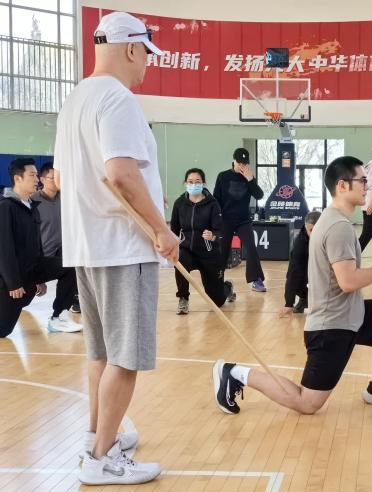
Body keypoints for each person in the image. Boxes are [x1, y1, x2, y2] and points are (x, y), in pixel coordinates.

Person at [54, 11, 179, 485]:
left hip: (88, 247)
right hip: (125, 249)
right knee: (125, 359)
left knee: (101, 355)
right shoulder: (118, 98)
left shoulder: (75, 100)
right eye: (146, 52)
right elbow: (121, 174)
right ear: (131, 48)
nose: (147, 62)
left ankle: (95, 438)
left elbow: (61, 178)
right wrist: (161, 230)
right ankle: (101, 458)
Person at [212, 156, 372, 416]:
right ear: (342, 185)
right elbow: (348, 282)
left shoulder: (335, 220)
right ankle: (234, 373)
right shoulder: (338, 227)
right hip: (331, 328)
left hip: (351, 314)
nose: (367, 186)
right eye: (362, 180)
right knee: (308, 403)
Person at [0, 158, 78, 338]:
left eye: (37, 175)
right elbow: (4, 248)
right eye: (32, 175)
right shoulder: (5, 207)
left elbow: (37, 243)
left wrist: (40, 277)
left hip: (33, 268)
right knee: (3, 330)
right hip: (12, 279)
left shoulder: (31, 206)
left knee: (71, 266)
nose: (37, 179)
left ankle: (59, 317)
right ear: (18, 178)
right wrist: (13, 283)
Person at [171, 168, 235, 315]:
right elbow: (174, 229)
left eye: (197, 181)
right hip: (187, 250)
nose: (194, 184)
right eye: (190, 182)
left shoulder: (213, 204)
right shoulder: (179, 203)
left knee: (216, 301)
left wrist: (212, 236)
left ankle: (227, 287)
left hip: (209, 254)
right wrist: (172, 245)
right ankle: (183, 299)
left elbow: (221, 232)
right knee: (180, 261)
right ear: (185, 183)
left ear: (204, 183)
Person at [32, 162, 82, 332]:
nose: (57, 182)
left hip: (61, 251)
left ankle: (60, 313)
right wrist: (39, 280)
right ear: (42, 179)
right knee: (18, 302)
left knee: (72, 267)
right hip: (39, 256)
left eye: (59, 178)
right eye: (52, 178)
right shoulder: (33, 201)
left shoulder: (66, 199)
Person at [214, 148, 267, 292]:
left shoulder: (249, 177)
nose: (242, 166)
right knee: (222, 250)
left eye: (244, 163)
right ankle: (217, 280)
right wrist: (216, 219)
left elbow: (259, 195)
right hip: (226, 220)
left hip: (243, 220)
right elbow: (216, 199)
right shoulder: (223, 176)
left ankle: (256, 280)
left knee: (251, 247)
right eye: (239, 163)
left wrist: (251, 180)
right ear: (234, 161)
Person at [279, 210, 322, 317]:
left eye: (317, 230)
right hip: (310, 268)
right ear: (306, 227)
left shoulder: (332, 235)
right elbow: (293, 274)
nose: (313, 234)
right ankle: (305, 298)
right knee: (296, 279)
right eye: (311, 230)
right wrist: (289, 303)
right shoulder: (300, 246)